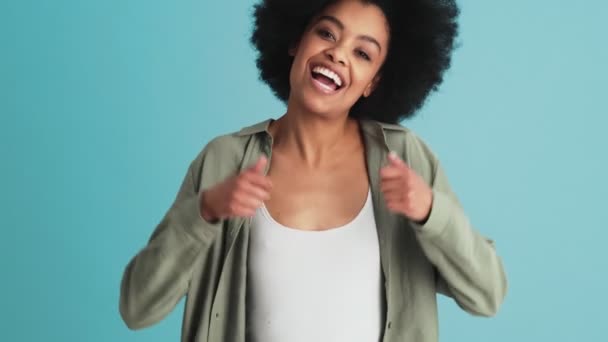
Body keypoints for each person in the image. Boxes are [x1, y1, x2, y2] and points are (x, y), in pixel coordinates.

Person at [119, 0, 508, 341]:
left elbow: (487, 295)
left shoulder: (404, 158)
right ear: (295, 40)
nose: (338, 54)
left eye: (363, 53)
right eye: (327, 33)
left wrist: (429, 211)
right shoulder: (224, 161)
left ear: (374, 83)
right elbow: (138, 309)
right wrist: (203, 212)